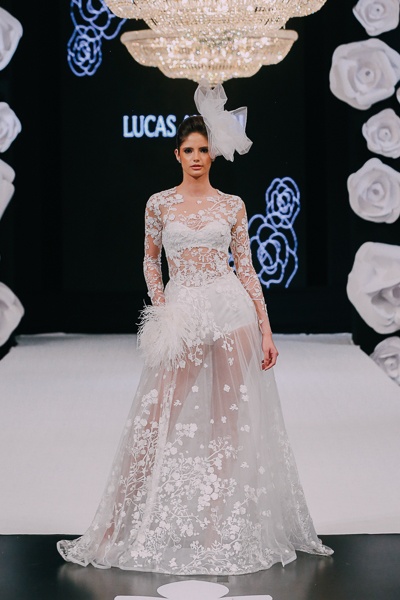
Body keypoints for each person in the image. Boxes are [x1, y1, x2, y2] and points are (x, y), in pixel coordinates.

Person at [57, 82, 332, 575]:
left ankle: (216, 529)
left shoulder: (232, 205)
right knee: (153, 420)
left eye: (204, 149)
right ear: (176, 154)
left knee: (231, 427)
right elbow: (150, 261)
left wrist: (267, 330)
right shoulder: (159, 203)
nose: (197, 158)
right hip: (183, 314)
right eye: (189, 150)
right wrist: (163, 310)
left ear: (213, 153)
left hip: (231, 313)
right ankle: (114, 527)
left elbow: (247, 270)